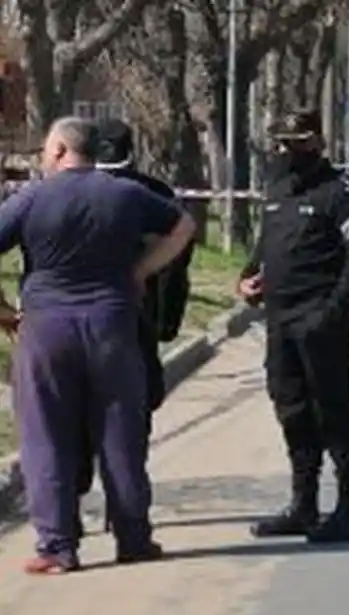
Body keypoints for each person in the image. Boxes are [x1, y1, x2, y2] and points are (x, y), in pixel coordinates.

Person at [0, 117, 196, 574]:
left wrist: (4, 311)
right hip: (112, 324)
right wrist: (142, 270)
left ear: (60, 150)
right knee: (120, 434)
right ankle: (133, 537)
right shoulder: (125, 194)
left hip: (47, 328)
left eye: (46, 150)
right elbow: (184, 226)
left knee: (47, 437)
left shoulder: (31, 198)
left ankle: (57, 546)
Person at [238, 109, 349, 544]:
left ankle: (348, 508)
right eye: (280, 143)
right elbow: (266, 246)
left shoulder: (343, 192)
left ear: (317, 143)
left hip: (320, 321)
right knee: (292, 409)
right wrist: (249, 277)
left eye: (294, 144)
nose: (285, 151)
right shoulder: (277, 189)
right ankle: (303, 504)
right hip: (279, 321)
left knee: (333, 411)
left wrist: (335, 313)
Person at [67, 118, 196, 536]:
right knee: (131, 418)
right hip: (134, 320)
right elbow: (178, 262)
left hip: (71, 321)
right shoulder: (153, 195)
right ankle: (123, 511)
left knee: (75, 418)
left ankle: (70, 508)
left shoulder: (62, 192)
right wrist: (166, 321)